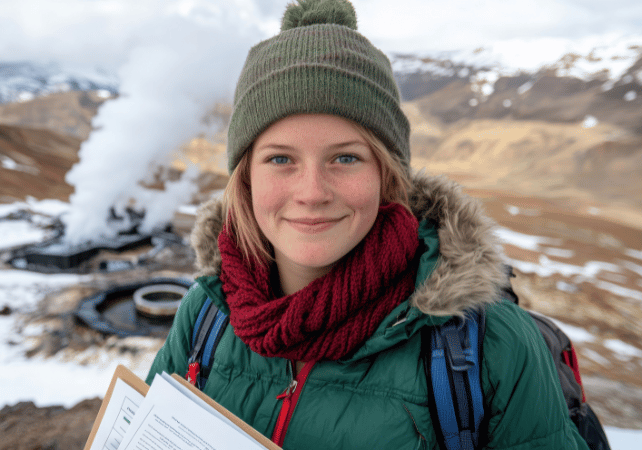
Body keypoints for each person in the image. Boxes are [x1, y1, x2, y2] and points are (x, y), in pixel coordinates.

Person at [146, 0, 590, 448]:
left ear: (386, 174)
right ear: (245, 179)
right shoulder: (205, 316)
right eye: (280, 159)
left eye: (345, 158)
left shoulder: (492, 346)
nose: (312, 192)